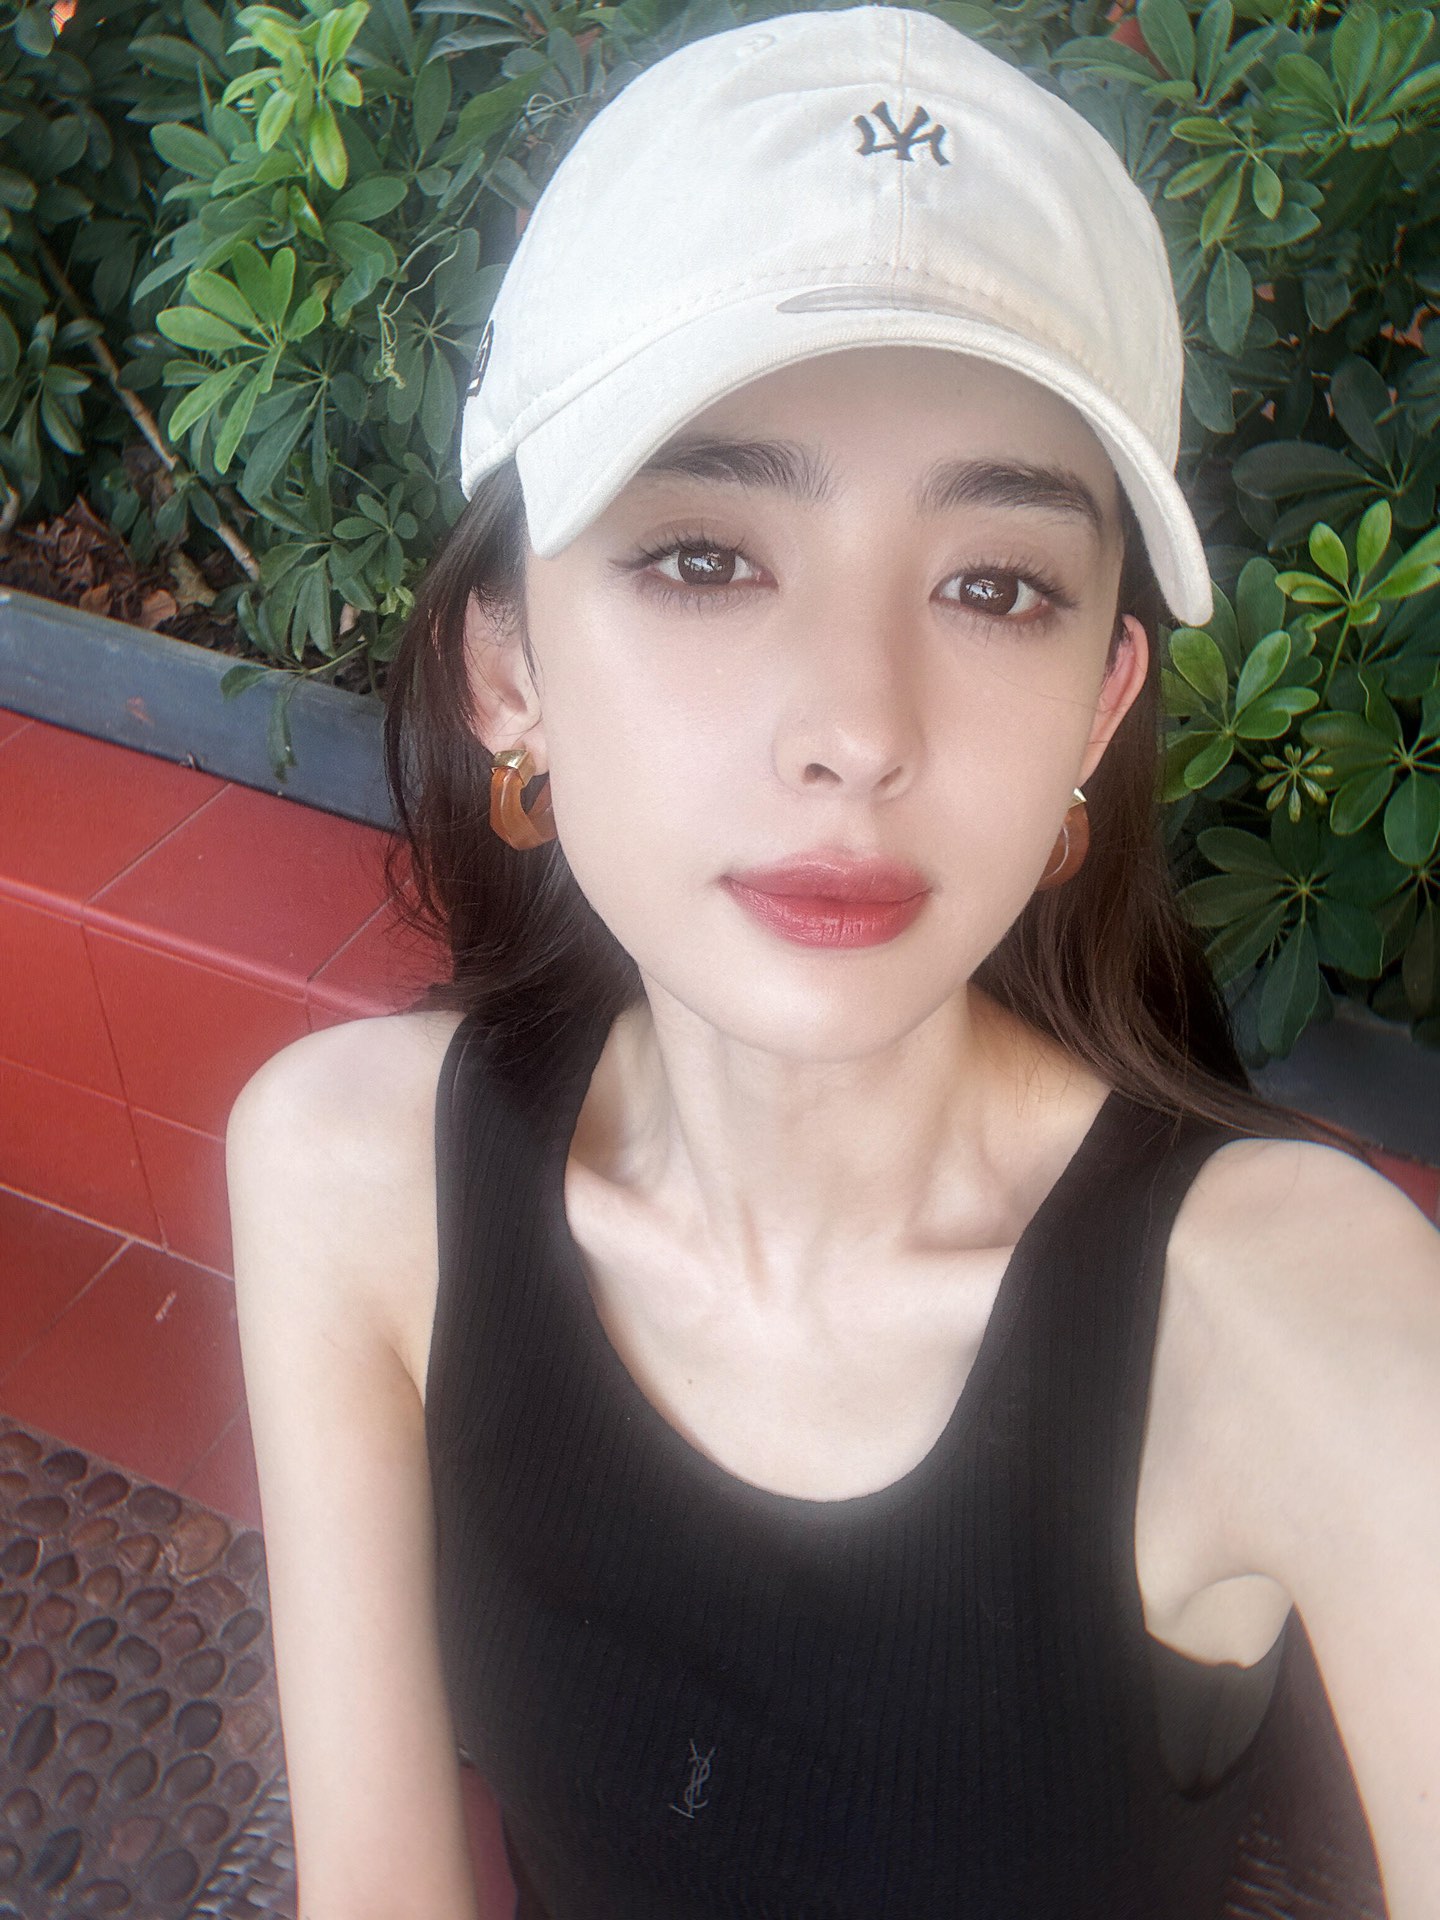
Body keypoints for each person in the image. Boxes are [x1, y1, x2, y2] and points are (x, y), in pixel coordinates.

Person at [223, 8, 1440, 1919]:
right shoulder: (348, 1174)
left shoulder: (1303, 1326)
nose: (857, 731)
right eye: (705, 557)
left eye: (996, 586)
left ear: (1096, 711)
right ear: (507, 666)